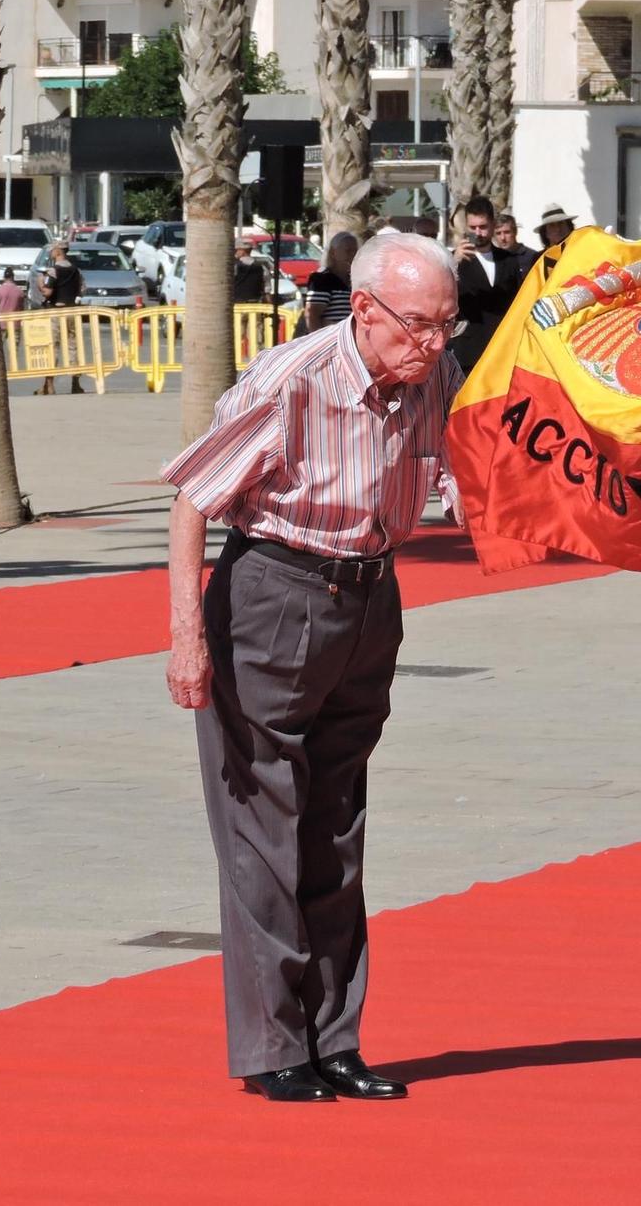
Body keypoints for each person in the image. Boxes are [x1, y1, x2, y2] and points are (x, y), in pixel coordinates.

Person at [162, 231, 464, 1103]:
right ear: (363, 310)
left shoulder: (430, 371)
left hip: (369, 598)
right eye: (418, 326)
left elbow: (443, 469)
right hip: (275, 592)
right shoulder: (291, 379)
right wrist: (189, 639)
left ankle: (337, 1039)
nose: (435, 345)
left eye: (446, 325)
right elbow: (192, 504)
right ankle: (273, 1047)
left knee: (335, 823)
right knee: (263, 827)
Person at [448, 196, 517, 373]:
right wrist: (453, 263)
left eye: (483, 227)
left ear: (493, 225)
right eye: (473, 228)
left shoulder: (509, 260)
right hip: (468, 353)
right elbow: (441, 296)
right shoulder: (454, 260)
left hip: (503, 351)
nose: (478, 233)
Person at [36, 240, 83, 396]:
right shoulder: (76, 270)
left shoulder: (53, 271)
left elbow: (48, 293)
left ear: (57, 252)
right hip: (73, 311)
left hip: (57, 311)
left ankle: (49, 385)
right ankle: (76, 384)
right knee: (73, 347)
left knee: (52, 347)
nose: (51, 253)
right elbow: (82, 289)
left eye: (52, 251)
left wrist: (40, 284)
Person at [303, 231, 358, 331]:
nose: (353, 255)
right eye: (348, 251)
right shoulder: (322, 280)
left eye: (355, 251)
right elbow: (312, 315)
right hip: (331, 340)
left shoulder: (356, 280)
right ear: (333, 253)